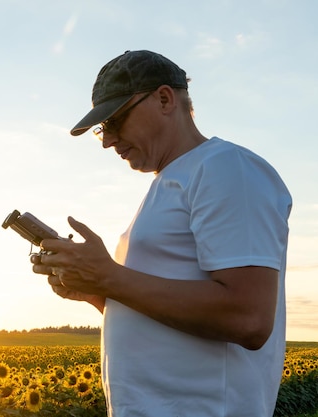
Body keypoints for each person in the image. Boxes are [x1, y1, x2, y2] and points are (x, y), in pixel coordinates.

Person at [32, 50, 292, 417]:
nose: (108, 140)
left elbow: (248, 317)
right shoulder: (171, 182)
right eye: (101, 130)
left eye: (115, 120)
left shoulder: (225, 167)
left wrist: (109, 276)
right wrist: (97, 291)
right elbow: (167, 309)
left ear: (165, 99)